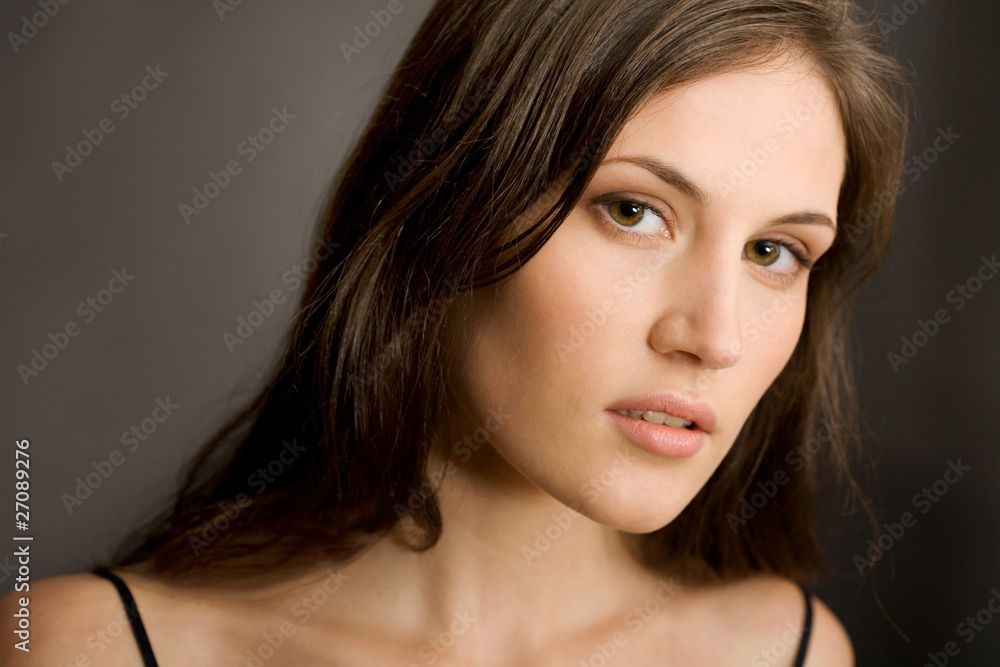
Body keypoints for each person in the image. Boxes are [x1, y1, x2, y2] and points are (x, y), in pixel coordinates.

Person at [3, 0, 908, 664]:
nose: (715, 336)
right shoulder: (88, 649)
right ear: (444, 205)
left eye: (775, 251)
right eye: (633, 210)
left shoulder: (783, 653)